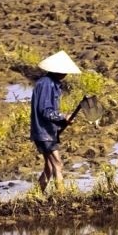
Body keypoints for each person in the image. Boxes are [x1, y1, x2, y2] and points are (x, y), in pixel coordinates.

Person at [30, 50, 81, 193]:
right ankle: (62, 196)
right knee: (58, 165)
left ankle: (37, 195)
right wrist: (62, 117)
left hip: (43, 130)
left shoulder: (48, 82)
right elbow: (45, 111)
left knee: (49, 167)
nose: (66, 74)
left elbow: (47, 112)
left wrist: (62, 121)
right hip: (43, 131)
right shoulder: (48, 84)